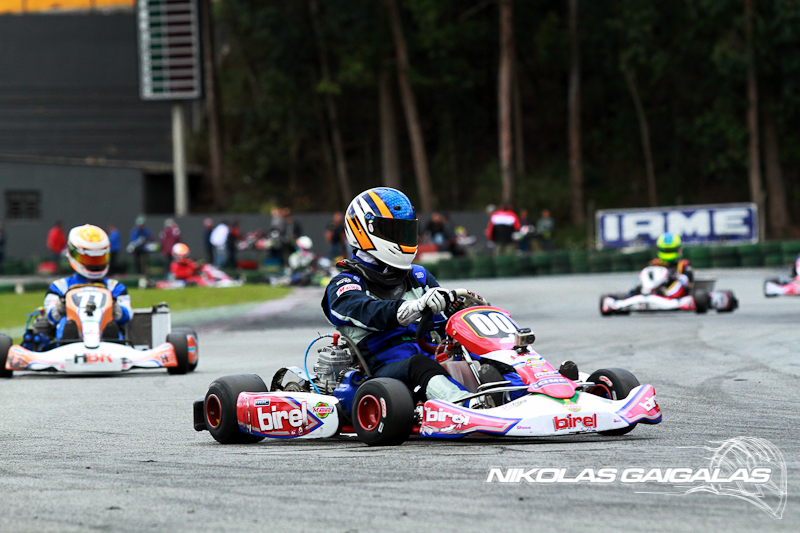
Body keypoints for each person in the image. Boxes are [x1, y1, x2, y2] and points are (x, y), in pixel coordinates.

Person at [321, 187, 472, 404]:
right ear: (364, 231)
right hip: (383, 370)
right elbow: (367, 311)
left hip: (429, 357)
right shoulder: (345, 283)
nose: (402, 238)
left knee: (477, 354)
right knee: (419, 364)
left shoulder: (418, 276)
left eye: (405, 231)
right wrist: (412, 307)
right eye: (393, 232)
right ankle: (468, 407)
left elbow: (444, 323)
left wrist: (460, 312)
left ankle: (518, 394)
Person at [44, 224, 132, 341]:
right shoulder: (59, 287)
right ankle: (69, 338)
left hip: (107, 340)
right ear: (73, 254)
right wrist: (61, 306)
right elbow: (51, 316)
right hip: (69, 341)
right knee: (66, 321)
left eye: (98, 259)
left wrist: (115, 308)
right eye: (90, 259)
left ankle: (109, 337)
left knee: (111, 323)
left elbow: (127, 315)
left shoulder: (115, 287)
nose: (94, 264)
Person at [633, 232, 694, 298]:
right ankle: (638, 294)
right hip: (654, 289)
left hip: (673, 294)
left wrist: (673, 276)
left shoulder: (683, 264)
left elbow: (688, 283)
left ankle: (662, 294)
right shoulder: (655, 263)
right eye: (666, 250)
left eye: (670, 250)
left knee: (680, 281)